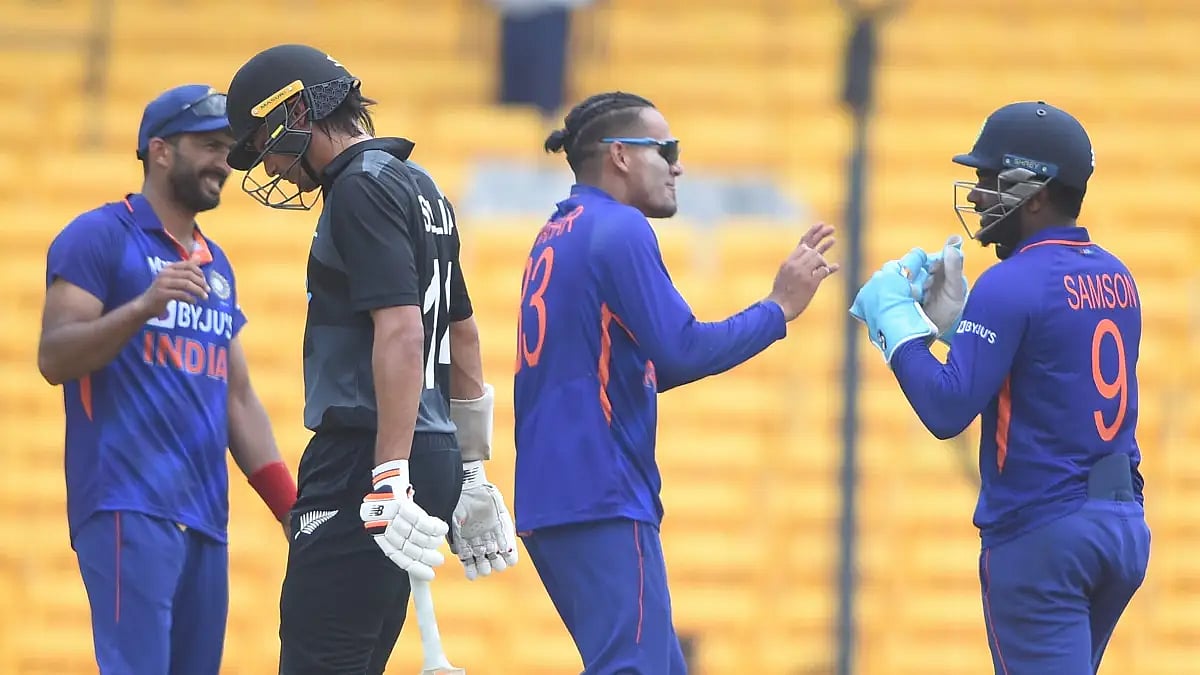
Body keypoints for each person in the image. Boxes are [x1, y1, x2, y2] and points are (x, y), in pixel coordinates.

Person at [513, 90, 839, 674]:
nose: (677, 165)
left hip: (555, 495)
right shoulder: (620, 229)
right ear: (620, 155)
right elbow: (681, 350)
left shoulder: (558, 232)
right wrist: (778, 308)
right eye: (665, 149)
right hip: (602, 492)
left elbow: (629, 366)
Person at [223, 44, 518, 674]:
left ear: (296, 111)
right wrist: (468, 468)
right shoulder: (421, 185)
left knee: (319, 658)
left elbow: (403, 332)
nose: (272, 168)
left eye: (264, 145)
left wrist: (389, 469)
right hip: (429, 448)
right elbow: (462, 335)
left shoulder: (357, 189)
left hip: (369, 451)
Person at [849, 100, 1151, 675]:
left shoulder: (1008, 282)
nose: (978, 195)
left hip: (1043, 537)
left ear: (1035, 194)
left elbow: (945, 408)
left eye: (990, 181)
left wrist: (899, 325)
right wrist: (961, 330)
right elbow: (1048, 371)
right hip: (1120, 526)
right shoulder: (1116, 273)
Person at [36, 83, 298, 675]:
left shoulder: (216, 263)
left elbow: (237, 397)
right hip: (128, 503)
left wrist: (291, 512)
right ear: (161, 151)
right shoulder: (100, 236)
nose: (225, 163)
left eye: (230, 149)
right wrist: (138, 308)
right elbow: (54, 357)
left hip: (205, 513)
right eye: (209, 146)